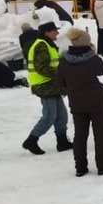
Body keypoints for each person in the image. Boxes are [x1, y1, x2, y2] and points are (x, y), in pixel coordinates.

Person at [56, 28, 103, 176]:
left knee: (79, 136)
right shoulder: (92, 59)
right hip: (96, 101)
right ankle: (102, 166)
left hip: (77, 102)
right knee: (100, 134)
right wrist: (93, 53)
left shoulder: (64, 61)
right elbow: (102, 71)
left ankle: (80, 168)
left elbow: (60, 82)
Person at [23, 22, 71, 155]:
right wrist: (61, 75)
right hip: (44, 85)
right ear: (47, 33)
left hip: (51, 85)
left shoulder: (47, 44)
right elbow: (42, 67)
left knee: (62, 115)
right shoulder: (42, 45)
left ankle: (62, 141)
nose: (57, 33)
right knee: (49, 115)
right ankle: (32, 140)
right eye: (54, 31)